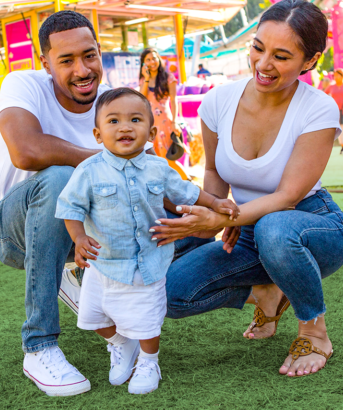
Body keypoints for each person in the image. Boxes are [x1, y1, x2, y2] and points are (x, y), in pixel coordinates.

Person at [0, 11, 208, 397]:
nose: (82, 69)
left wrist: (203, 213)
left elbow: (151, 177)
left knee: (173, 221)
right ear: (45, 63)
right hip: (12, 231)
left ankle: (93, 292)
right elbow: (25, 151)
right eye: (66, 60)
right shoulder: (23, 84)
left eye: (89, 55)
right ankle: (39, 345)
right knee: (58, 178)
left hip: (84, 233)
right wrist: (103, 161)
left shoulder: (113, 104)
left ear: (100, 53)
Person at [153, 0, 343, 378]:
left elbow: (288, 197)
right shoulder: (218, 101)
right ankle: (266, 293)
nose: (263, 65)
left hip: (310, 225)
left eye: (281, 56)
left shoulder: (319, 108)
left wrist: (225, 215)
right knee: (172, 295)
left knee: (273, 227)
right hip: (246, 229)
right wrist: (210, 212)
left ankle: (314, 330)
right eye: (258, 48)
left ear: (309, 61)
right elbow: (213, 173)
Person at [56, 88, 238, 394]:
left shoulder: (158, 168)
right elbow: (70, 208)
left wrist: (216, 203)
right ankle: (120, 344)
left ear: (151, 131)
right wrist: (79, 237)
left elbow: (186, 192)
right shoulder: (88, 171)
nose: (125, 127)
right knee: (93, 317)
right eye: (114, 121)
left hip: (148, 261)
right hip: (104, 264)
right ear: (98, 135)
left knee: (148, 320)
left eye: (135, 119)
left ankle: (149, 360)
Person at [138, 47, 180, 157]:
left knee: (168, 158)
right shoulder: (143, 80)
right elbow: (141, 98)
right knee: (153, 159)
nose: (152, 62)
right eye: (148, 59)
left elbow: (174, 99)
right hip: (150, 125)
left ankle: (182, 175)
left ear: (159, 59)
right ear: (143, 63)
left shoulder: (168, 78)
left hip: (165, 122)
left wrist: (175, 122)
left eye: (154, 58)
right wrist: (146, 78)